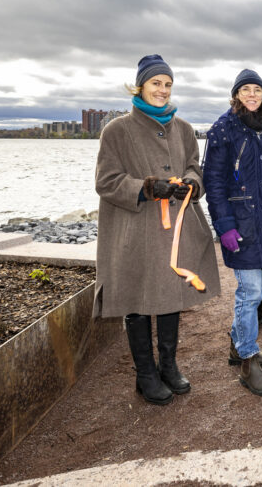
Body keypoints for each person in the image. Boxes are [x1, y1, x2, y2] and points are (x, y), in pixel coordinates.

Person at [95, 54, 221, 405]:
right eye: (156, 83)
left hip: (173, 230)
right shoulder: (116, 130)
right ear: (140, 86)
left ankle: (168, 365)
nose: (162, 90)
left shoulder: (182, 128)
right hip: (135, 230)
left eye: (167, 84)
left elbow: (195, 168)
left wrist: (191, 185)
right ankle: (145, 374)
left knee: (170, 297)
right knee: (136, 298)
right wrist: (149, 187)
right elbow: (106, 182)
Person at [203, 69, 262, 396]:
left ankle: (239, 344)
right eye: (245, 89)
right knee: (250, 293)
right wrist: (224, 225)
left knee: (256, 290)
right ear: (236, 95)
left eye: (256, 89)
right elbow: (213, 183)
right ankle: (247, 361)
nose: (252, 94)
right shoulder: (224, 130)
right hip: (241, 225)